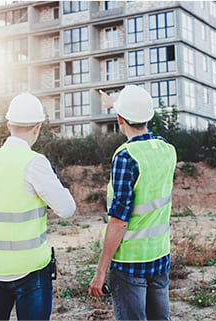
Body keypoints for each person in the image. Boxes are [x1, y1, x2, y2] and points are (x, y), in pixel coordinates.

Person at [0, 93, 76, 321]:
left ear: (9, 125)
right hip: (31, 272)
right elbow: (67, 209)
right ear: (37, 128)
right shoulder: (34, 163)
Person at [89, 85, 177, 321]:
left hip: (129, 262)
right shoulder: (167, 149)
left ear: (119, 119)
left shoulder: (125, 157)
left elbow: (119, 221)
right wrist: (114, 104)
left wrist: (100, 272)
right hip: (159, 255)